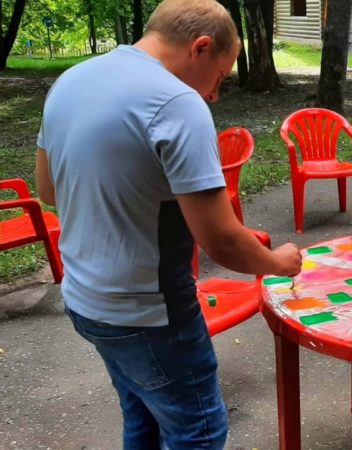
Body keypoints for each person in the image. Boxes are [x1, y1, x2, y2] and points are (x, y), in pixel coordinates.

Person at [34, 1, 302, 448]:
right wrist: (279, 262)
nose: (214, 94)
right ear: (200, 47)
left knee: (143, 419)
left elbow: (49, 190)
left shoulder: (71, 80)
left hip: (85, 301)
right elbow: (220, 239)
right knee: (198, 431)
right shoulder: (177, 102)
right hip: (149, 313)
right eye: (220, 76)